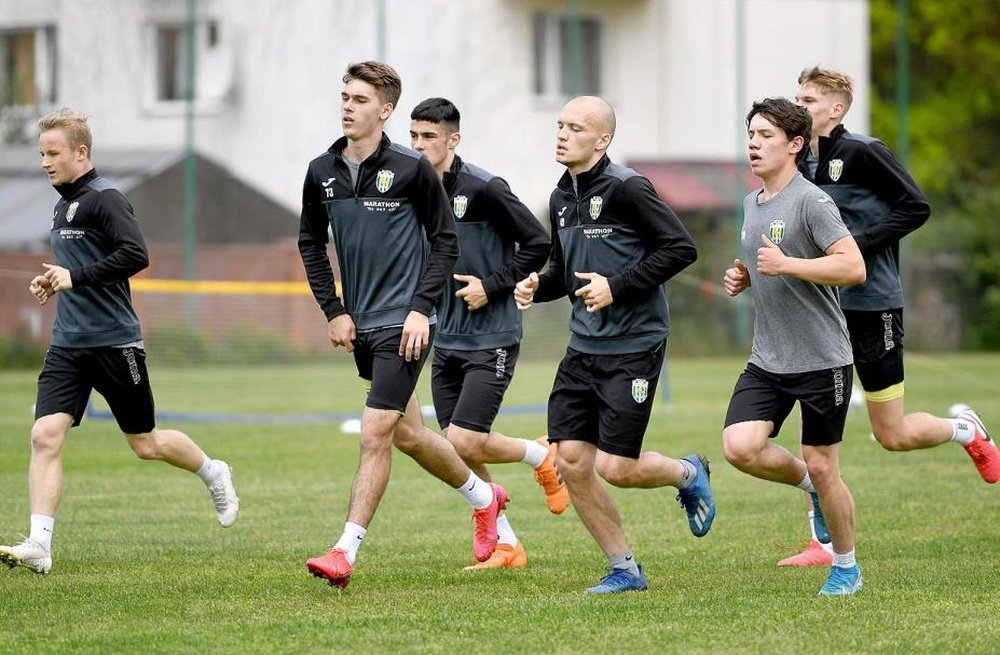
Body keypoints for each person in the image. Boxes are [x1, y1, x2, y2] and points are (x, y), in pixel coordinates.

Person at [777, 66, 1000, 567]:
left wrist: (857, 246)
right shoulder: (798, 163)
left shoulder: (864, 152)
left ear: (836, 109)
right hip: (820, 309)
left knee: (890, 434)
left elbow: (915, 208)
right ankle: (824, 543)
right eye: (797, 98)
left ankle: (966, 430)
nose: (800, 106)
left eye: (809, 99)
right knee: (813, 435)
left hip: (872, 303)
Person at [0, 108, 239, 576]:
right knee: (44, 434)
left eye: (54, 153)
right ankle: (40, 544)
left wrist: (76, 277)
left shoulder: (106, 198)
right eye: (42, 154)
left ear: (81, 152)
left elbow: (136, 254)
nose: (45, 162)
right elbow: (80, 267)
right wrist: (53, 283)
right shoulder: (61, 203)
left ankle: (213, 471)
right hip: (68, 343)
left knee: (146, 444)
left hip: (115, 344)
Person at [298, 62, 508, 589]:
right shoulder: (321, 170)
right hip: (362, 324)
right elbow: (310, 242)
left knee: (375, 434)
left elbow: (445, 241)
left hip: (407, 324)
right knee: (411, 435)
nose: (348, 105)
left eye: (361, 99)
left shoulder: (412, 169)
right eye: (345, 96)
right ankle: (486, 498)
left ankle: (344, 551)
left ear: (385, 110)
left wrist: (421, 307)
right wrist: (334, 309)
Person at [513, 95, 715, 594]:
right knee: (572, 461)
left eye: (575, 128)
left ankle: (688, 472)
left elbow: (680, 248)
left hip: (635, 345)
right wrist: (538, 286)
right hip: (583, 348)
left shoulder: (629, 188)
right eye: (559, 125)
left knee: (617, 467)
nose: (561, 134)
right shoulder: (560, 197)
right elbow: (565, 272)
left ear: (602, 140)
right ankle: (624, 568)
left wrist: (617, 286)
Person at [409, 97, 569, 571]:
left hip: (493, 335)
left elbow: (538, 243)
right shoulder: (412, 192)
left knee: (463, 439)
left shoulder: (483, 188)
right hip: (446, 339)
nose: (419, 147)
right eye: (413, 137)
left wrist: (491, 286)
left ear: (453, 140)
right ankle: (507, 546)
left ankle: (540, 454)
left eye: (429, 137)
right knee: (459, 449)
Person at [722, 97, 867, 596]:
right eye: (751, 136)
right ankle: (813, 490)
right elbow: (769, 264)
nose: (754, 145)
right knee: (739, 447)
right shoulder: (750, 203)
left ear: (795, 145)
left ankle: (846, 566)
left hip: (822, 358)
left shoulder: (813, 201)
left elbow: (852, 267)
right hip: (769, 357)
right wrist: (745, 278)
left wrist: (789, 267)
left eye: (765, 136)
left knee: (827, 463)